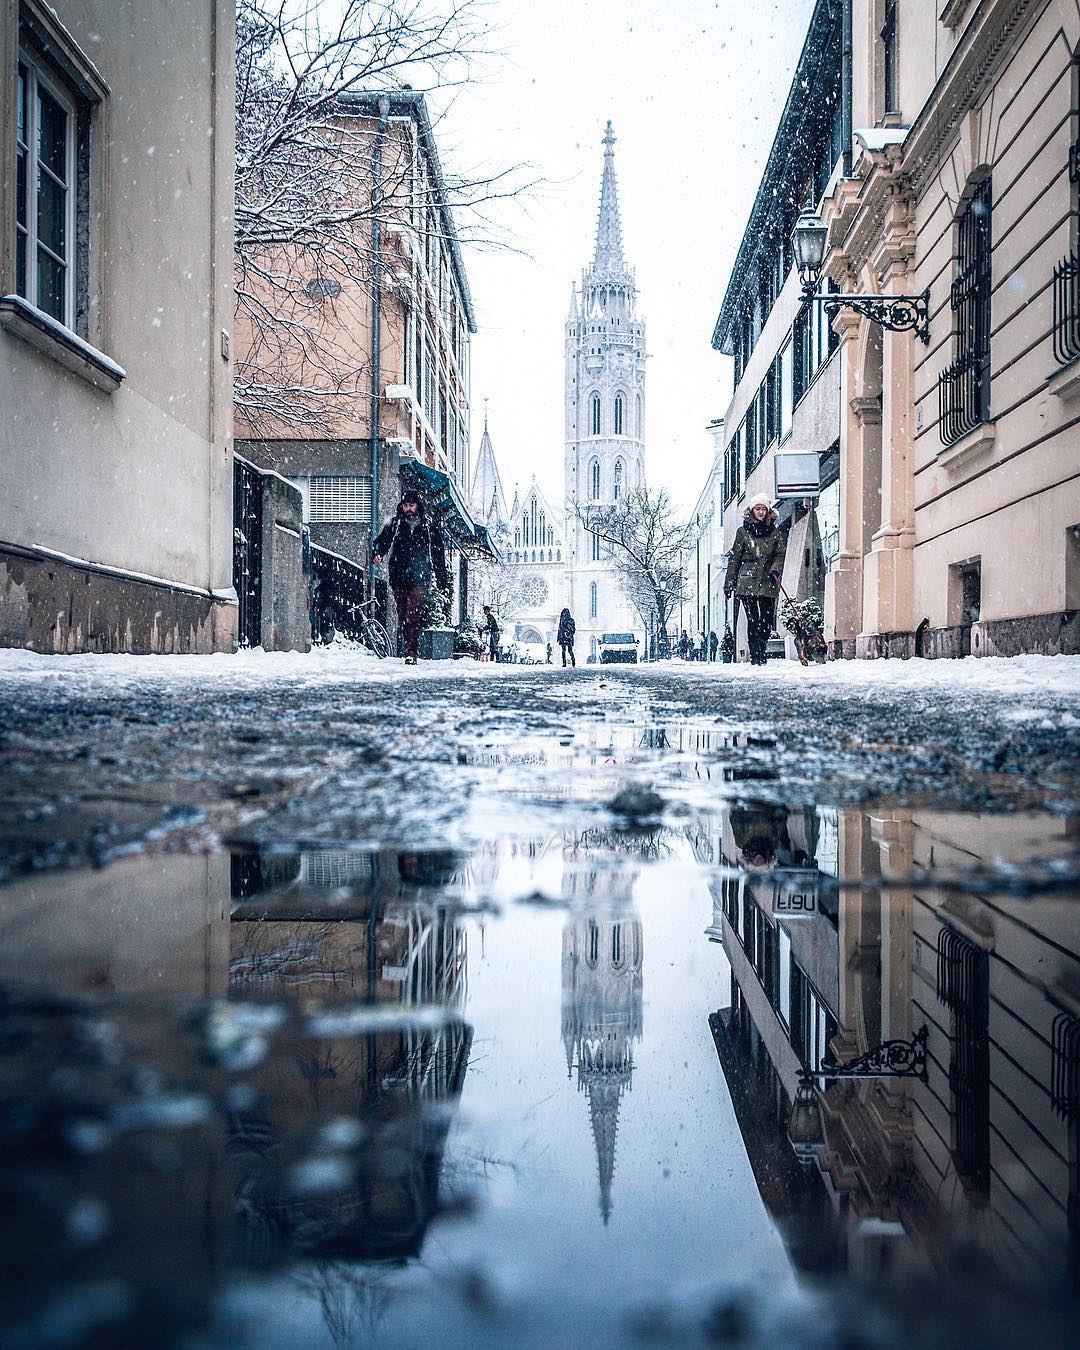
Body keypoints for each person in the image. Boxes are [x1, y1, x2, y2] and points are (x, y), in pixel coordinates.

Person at [372, 488, 449, 665]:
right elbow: (382, 541)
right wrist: (378, 553)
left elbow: (438, 554)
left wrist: (441, 579)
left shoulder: (429, 527)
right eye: (405, 505)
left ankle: (411, 652)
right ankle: (409, 647)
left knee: (412, 614)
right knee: (402, 614)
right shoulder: (395, 524)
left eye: (411, 505)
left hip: (420, 578)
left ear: (418, 506)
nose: (408, 509)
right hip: (398, 576)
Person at [724, 493, 785, 667]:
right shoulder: (742, 532)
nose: (760, 512)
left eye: (763, 509)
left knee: (766, 621)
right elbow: (734, 559)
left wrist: (775, 569)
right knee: (753, 619)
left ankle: (762, 647)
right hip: (747, 581)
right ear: (751, 511)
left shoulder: (775, 532)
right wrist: (729, 583)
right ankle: (756, 654)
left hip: (767, 580)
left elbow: (780, 554)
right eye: (757, 509)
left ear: (768, 511)